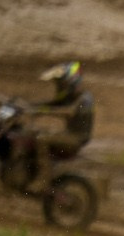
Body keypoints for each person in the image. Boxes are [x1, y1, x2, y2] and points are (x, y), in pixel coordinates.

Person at [29, 61, 94, 189]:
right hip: (69, 135)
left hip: (76, 138)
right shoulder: (72, 97)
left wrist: (44, 111)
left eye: (61, 83)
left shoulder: (85, 98)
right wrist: (25, 106)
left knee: (41, 139)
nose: (59, 86)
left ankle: (43, 180)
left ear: (71, 81)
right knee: (31, 133)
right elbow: (51, 104)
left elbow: (68, 111)